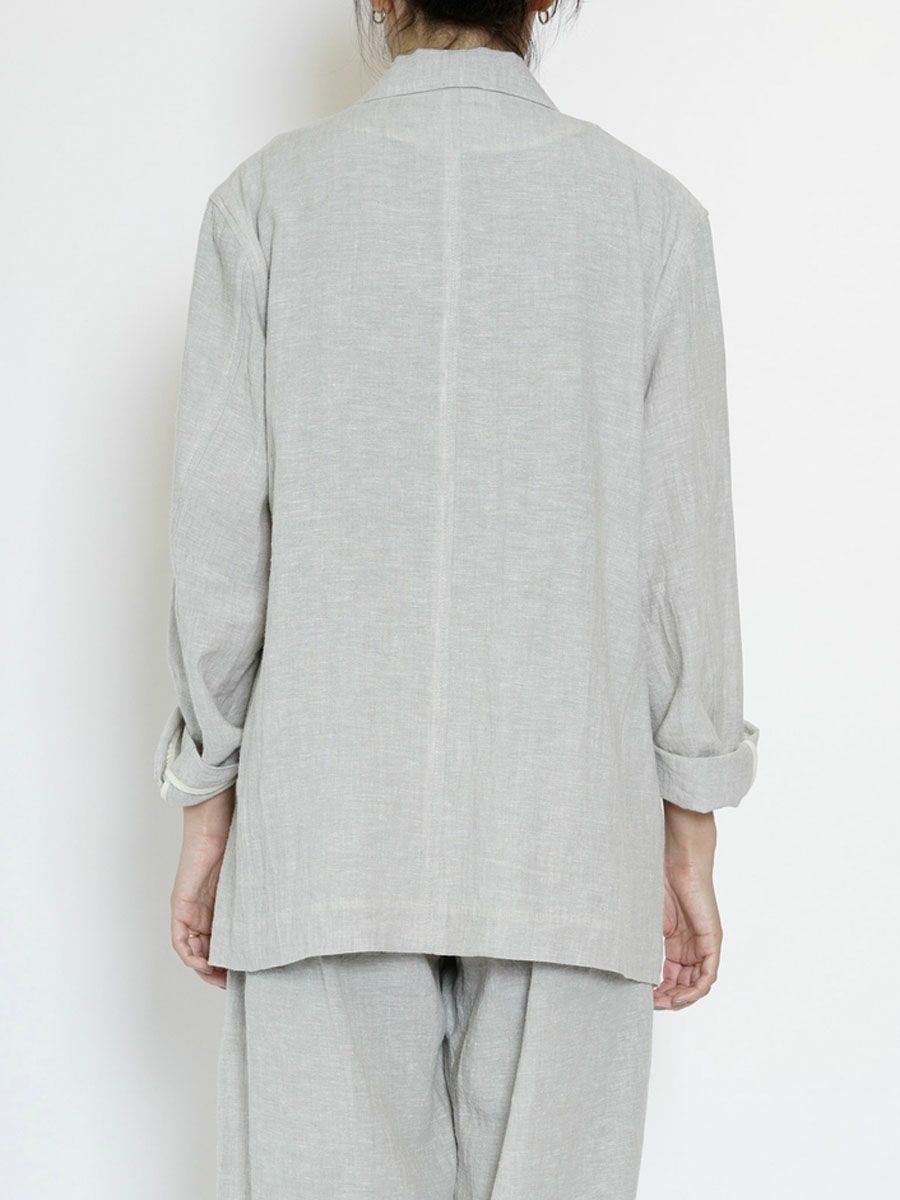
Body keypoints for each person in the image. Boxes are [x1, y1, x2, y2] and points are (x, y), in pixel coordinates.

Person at [155, 2, 760, 1196]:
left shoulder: (267, 204)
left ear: (383, 0)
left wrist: (208, 806)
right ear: (545, 0)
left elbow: (219, 544)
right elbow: (683, 548)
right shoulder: (649, 219)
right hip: (570, 831)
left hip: (326, 827)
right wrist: (688, 831)